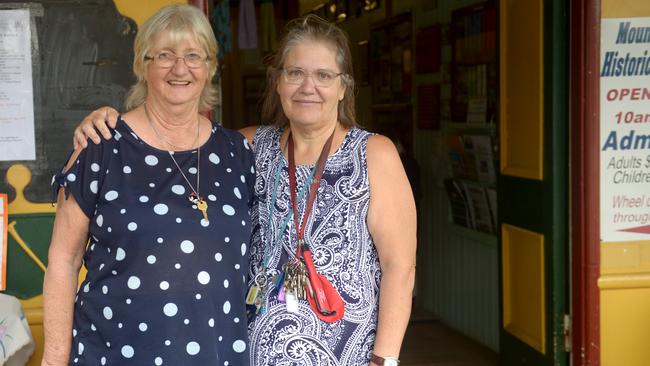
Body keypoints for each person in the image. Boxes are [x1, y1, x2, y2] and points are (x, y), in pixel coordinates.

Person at [72, 14, 416, 366]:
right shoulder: (247, 147)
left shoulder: (373, 154)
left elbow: (399, 266)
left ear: (343, 87)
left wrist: (384, 359)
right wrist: (108, 122)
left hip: (345, 355)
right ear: (278, 83)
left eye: (324, 76)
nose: (307, 87)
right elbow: (173, 147)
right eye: (294, 73)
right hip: (246, 354)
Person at [43, 5, 254, 365]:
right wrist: (54, 358)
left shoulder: (237, 152)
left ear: (210, 67)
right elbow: (64, 260)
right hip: (116, 353)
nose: (180, 68)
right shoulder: (102, 147)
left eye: (193, 55)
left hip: (216, 353)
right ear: (142, 65)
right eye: (165, 56)